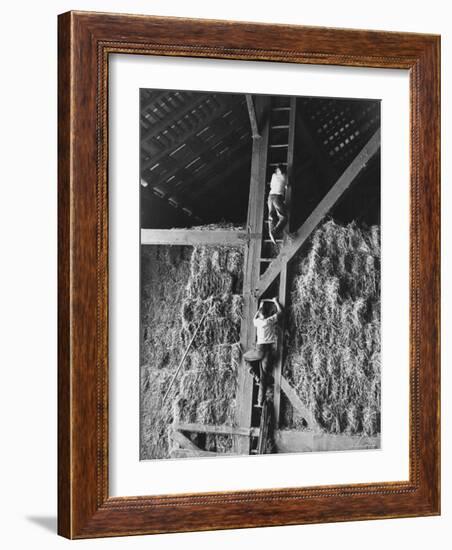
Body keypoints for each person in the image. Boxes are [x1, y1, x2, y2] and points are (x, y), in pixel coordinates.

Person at [252, 297, 283, 406]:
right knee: (264, 376)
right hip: (268, 348)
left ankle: (253, 372)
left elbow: (254, 318)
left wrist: (260, 307)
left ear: (260, 315)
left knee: (249, 359)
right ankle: (260, 401)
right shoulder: (269, 321)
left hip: (259, 347)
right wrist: (275, 302)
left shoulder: (257, 322)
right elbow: (280, 312)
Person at [267, 164, 288, 243]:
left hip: (270, 197)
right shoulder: (284, 176)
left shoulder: (273, 175)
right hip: (277, 197)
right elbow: (287, 185)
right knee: (283, 218)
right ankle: (274, 232)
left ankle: (271, 233)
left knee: (271, 216)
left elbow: (271, 185)